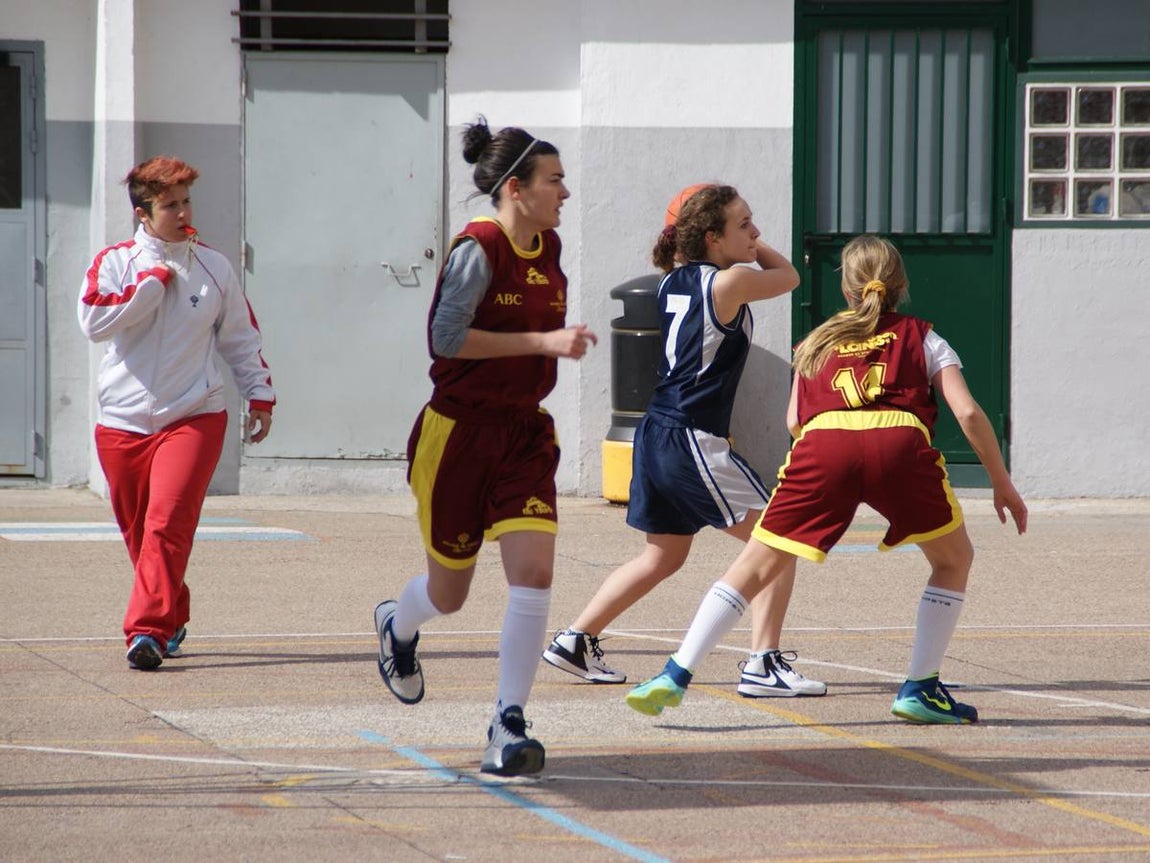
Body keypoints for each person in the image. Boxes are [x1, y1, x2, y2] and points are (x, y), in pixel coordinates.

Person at [626, 234, 1028, 724]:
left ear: (846, 288)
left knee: (754, 565)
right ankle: (920, 687)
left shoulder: (814, 342)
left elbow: (795, 422)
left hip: (822, 446)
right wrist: (1000, 481)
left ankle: (676, 672)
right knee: (953, 559)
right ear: (899, 284)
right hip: (897, 442)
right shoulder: (922, 336)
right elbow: (966, 413)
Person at [373, 117, 597, 776]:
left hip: (524, 433)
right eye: (555, 180)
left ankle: (508, 720)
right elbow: (446, 338)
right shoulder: (477, 249)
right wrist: (543, 343)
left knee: (534, 573)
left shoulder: (548, 248)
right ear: (516, 188)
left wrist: (553, 345)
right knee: (450, 593)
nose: (566, 192)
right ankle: (398, 622)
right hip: (459, 434)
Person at [542, 184, 826, 698]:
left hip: (657, 430)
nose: (756, 233)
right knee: (780, 538)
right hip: (692, 436)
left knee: (663, 557)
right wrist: (756, 250)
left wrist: (735, 238)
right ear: (713, 237)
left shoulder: (672, 280)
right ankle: (763, 662)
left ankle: (575, 639)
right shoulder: (730, 281)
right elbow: (790, 277)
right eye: (745, 225)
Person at [78, 156, 275, 671]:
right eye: (170, 204)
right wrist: (147, 288)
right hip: (121, 422)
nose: (183, 211)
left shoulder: (214, 267)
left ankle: (146, 631)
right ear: (144, 213)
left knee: (167, 525)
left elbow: (239, 337)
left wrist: (259, 393)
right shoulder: (114, 262)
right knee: (141, 535)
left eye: (187, 200)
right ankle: (171, 610)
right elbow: (93, 323)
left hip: (194, 413)